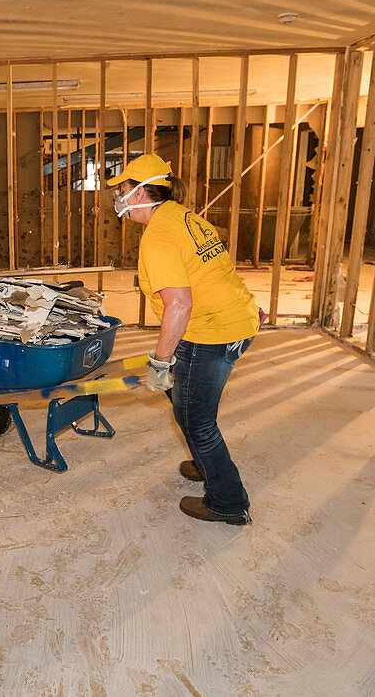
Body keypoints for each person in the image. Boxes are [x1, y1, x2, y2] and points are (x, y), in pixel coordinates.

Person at [107, 154, 260, 525]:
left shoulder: (158, 237)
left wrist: (161, 361)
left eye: (124, 190)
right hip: (236, 322)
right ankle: (205, 463)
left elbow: (178, 305)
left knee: (196, 420)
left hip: (210, 333)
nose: (119, 197)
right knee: (188, 400)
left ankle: (227, 501)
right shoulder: (184, 217)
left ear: (142, 193)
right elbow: (214, 269)